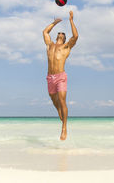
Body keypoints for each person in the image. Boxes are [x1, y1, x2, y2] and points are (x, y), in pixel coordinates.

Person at [43, 10, 78, 140]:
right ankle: (59, 111)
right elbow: (45, 32)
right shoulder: (49, 45)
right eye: (59, 32)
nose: (60, 34)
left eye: (63, 33)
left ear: (64, 38)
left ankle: (64, 128)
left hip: (60, 77)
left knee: (62, 100)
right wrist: (55, 23)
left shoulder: (66, 47)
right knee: (54, 100)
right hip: (50, 78)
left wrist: (71, 21)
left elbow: (75, 36)